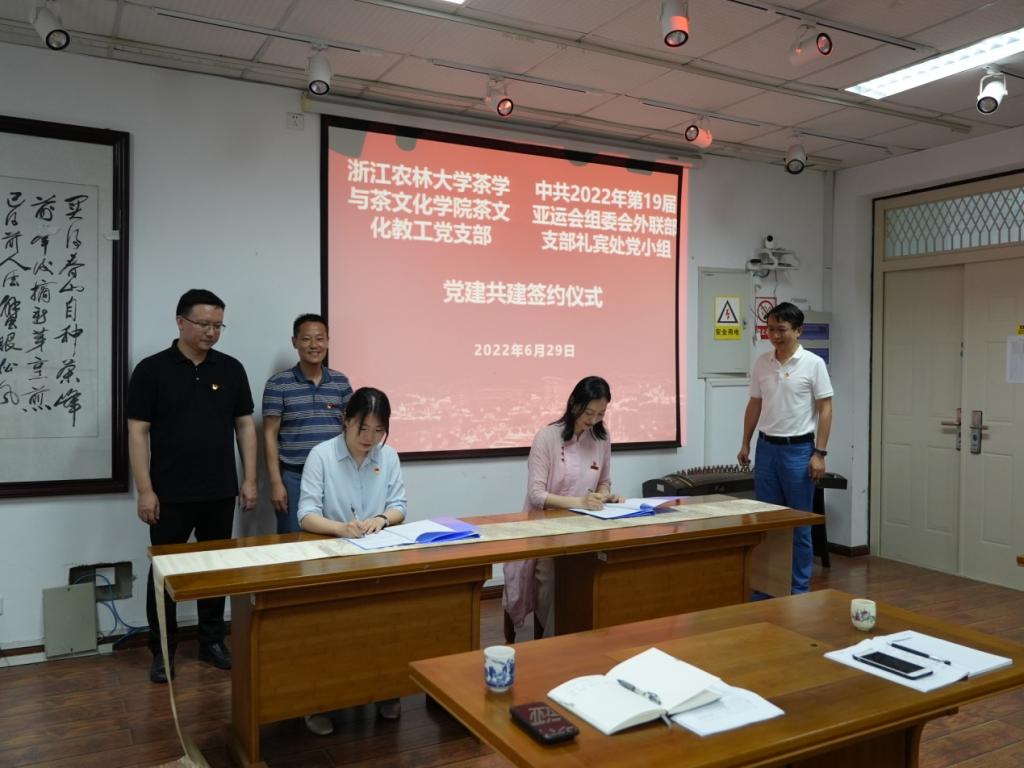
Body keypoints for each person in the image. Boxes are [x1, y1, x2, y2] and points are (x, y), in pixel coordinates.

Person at [127, 288, 258, 684]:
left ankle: (212, 641)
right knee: (164, 573)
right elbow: (138, 432)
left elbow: (244, 426)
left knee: (215, 569)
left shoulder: (231, 369)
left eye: (218, 325)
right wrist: (145, 489)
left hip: (219, 490)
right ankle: (162, 650)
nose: (211, 332)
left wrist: (249, 479)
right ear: (180, 322)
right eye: (204, 324)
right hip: (169, 493)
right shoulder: (151, 370)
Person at [296, 386, 407, 734]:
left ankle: (386, 690)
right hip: (332, 555)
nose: (369, 438)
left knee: (384, 626)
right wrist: (340, 528)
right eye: (363, 428)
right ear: (346, 420)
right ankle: (318, 703)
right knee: (331, 631)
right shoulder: (321, 456)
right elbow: (306, 514)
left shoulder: (387, 457)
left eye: (378, 430)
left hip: (376, 555)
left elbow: (399, 506)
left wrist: (382, 519)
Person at [502, 376, 623, 642]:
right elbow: (536, 495)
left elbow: (604, 481)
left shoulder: (601, 438)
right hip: (546, 531)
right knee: (552, 578)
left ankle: (592, 637)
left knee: (603, 572)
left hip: (587, 529)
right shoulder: (547, 437)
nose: (593, 420)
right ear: (573, 403)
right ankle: (556, 640)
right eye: (588, 412)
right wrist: (579, 502)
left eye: (601, 414)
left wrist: (606, 496)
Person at [737, 302, 833, 595]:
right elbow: (755, 403)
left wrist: (820, 453)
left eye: (781, 330)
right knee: (767, 522)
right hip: (767, 449)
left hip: (799, 451)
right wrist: (745, 441)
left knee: (799, 524)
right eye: (770, 329)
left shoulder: (813, 364)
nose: (775, 336)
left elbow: (825, 408)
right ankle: (766, 587)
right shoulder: (762, 363)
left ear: (798, 331)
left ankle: (798, 589)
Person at [262, 313, 352, 534]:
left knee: (338, 537)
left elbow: (351, 429)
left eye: (320, 339)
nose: (314, 345)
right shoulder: (278, 384)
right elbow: (269, 435)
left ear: (328, 341)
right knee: (293, 541)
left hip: (336, 475)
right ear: (295, 342)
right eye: (306, 339)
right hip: (295, 477)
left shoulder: (340, 382)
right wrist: (276, 482)